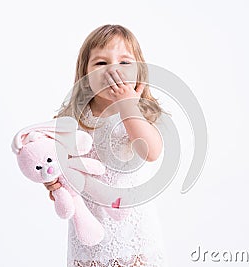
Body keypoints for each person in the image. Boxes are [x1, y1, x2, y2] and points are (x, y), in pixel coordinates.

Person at [46, 24, 168, 267]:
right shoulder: (73, 120)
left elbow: (151, 151)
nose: (113, 70)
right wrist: (54, 183)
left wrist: (128, 107)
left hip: (135, 234)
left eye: (124, 63)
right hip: (90, 234)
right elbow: (62, 168)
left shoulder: (137, 115)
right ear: (85, 74)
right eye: (101, 63)